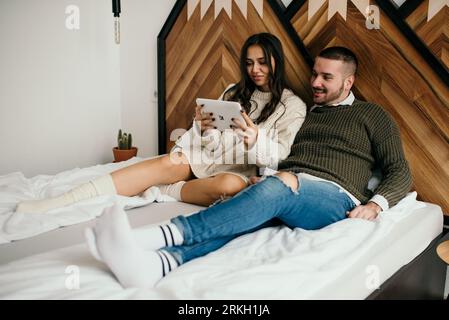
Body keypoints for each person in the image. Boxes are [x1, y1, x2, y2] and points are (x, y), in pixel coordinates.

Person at [85, 46, 413, 289]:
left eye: (327, 77)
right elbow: (287, 161)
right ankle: (160, 262)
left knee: (280, 183)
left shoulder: (373, 116)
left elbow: (400, 171)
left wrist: (374, 205)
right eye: (314, 73)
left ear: (349, 82)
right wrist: (268, 179)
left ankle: (155, 235)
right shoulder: (309, 116)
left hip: (336, 197)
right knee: (239, 214)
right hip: (292, 186)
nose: (315, 82)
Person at [15, 33, 307, 212]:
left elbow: (280, 156)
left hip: (237, 170)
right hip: (203, 158)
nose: (255, 69)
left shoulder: (292, 106)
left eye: (262, 62)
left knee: (230, 188)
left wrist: (254, 138)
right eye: (249, 62)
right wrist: (205, 130)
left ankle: (162, 190)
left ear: (276, 62)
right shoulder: (234, 91)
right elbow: (211, 140)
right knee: (170, 161)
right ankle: (61, 202)